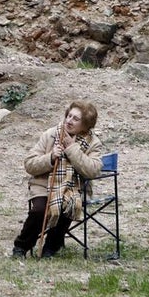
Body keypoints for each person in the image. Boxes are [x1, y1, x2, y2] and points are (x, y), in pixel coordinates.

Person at [12, 100, 103, 258]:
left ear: (86, 125)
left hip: (74, 187)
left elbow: (93, 170)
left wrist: (71, 148)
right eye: (69, 116)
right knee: (40, 210)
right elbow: (29, 164)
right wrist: (51, 158)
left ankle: (51, 247)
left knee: (69, 205)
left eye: (76, 119)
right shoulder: (51, 134)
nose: (69, 121)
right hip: (44, 185)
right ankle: (21, 246)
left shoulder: (92, 143)